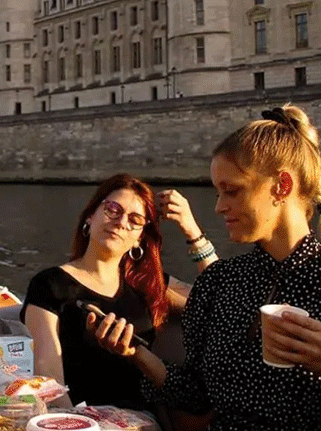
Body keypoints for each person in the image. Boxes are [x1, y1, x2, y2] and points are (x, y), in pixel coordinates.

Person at [90, 105, 321, 430]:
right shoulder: (219, 282)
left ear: (282, 186)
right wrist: (134, 351)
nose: (219, 207)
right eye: (218, 192)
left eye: (232, 191)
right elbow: (195, 396)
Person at [20, 174, 216, 410]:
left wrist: (193, 232)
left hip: (139, 421)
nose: (121, 222)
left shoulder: (149, 285)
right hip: (78, 418)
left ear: (139, 239)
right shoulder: (50, 284)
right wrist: (74, 425)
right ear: (90, 217)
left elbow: (221, 299)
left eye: (135, 219)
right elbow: (49, 379)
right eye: (112, 209)